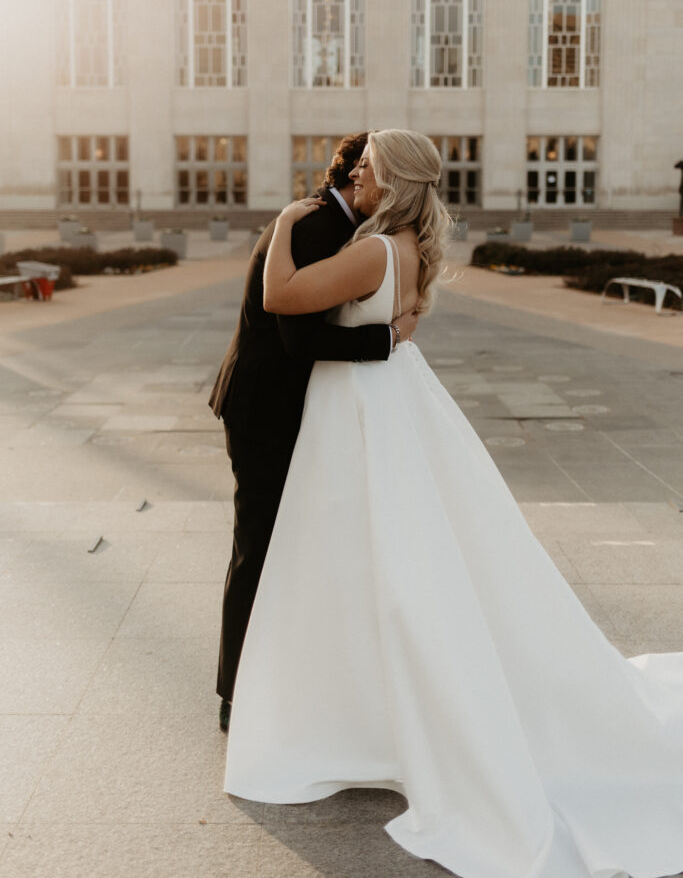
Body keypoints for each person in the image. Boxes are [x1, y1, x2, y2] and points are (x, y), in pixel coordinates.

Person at [224, 129, 683, 878]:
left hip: (358, 409)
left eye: (369, 169)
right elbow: (394, 325)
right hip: (380, 395)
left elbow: (281, 295)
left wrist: (279, 225)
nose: (356, 175)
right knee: (382, 550)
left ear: (394, 182)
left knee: (369, 555)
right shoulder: (407, 245)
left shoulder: (373, 251)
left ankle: (358, 704)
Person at [208, 132, 419, 733]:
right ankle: (235, 692)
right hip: (264, 409)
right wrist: (387, 339)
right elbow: (298, 337)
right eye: (376, 169)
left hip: (285, 405)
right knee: (259, 544)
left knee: (287, 544)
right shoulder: (314, 224)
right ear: (357, 173)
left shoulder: (336, 225)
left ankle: (281, 675)